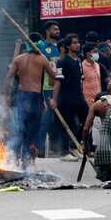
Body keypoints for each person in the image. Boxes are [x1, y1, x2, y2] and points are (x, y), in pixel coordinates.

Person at [3, 37, 56, 168]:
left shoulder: (18, 59)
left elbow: (8, 78)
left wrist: (6, 96)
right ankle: (28, 160)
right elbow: (54, 77)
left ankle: (16, 158)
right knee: (33, 130)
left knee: (21, 129)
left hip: (21, 96)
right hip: (35, 96)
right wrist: (49, 96)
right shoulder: (42, 59)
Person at [51, 34, 88, 162]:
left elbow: (81, 80)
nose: (77, 45)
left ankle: (75, 146)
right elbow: (58, 81)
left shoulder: (79, 60)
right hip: (66, 98)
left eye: (78, 42)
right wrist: (54, 99)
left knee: (87, 120)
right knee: (67, 124)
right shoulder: (62, 62)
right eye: (74, 43)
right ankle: (64, 151)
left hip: (79, 97)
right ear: (68, 46)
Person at [37, 20, 61, 157]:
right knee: (46, 119)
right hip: (46, 88)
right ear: (47, 31)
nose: (57, 31)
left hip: (60, 87)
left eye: (58, 29)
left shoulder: (61, 47)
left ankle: (57, 148)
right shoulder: (41, 46)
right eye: (54, 29)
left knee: (57, 120)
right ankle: (39, 149)